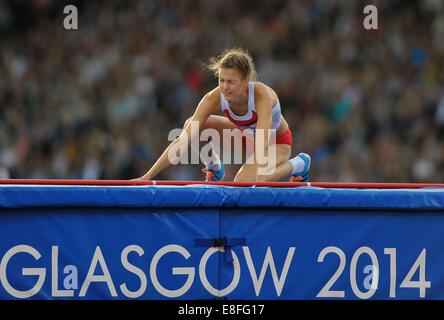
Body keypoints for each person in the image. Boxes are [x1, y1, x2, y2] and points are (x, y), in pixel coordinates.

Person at [137, 48, 311, 182]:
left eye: (231, 82)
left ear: (246, 81)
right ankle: (214, 168)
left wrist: (254, 174)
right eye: (221, 80)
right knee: (192, 124)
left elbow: (261, 145)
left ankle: (299, 164)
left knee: (248, 181)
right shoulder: (213, 98)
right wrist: (147, 177)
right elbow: (182, 140)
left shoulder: (262, 96)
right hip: (244, 137)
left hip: (276, 142)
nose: (224, 87)